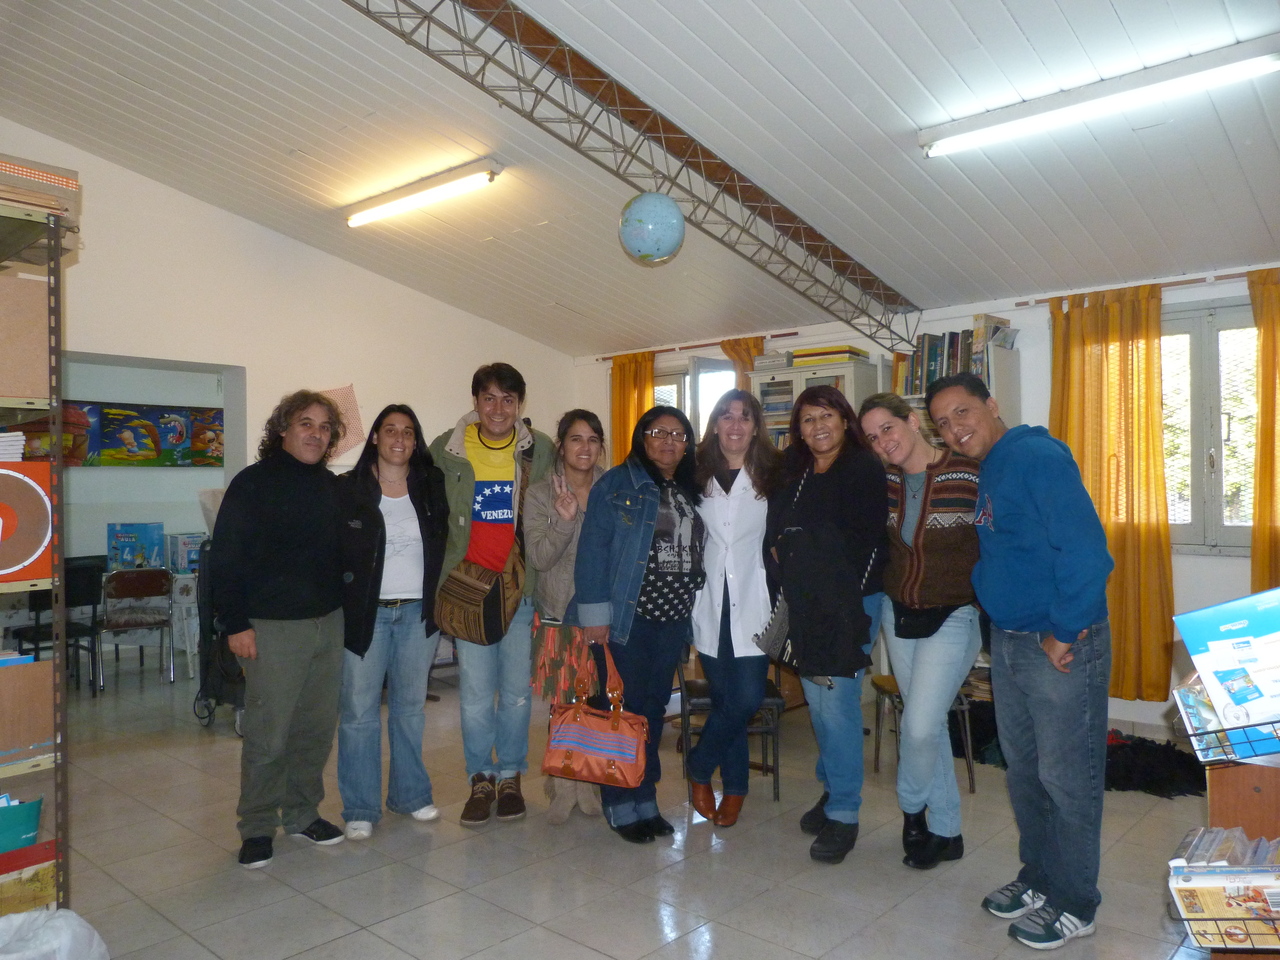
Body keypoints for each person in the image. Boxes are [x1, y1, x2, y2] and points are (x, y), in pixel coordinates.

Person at [926, 372, 1113, 951]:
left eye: (962, 412)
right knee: (1026, 773)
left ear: (992, 404)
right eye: (943, 424)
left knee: (1068, 778)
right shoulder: (992, 468)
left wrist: (1064, 632)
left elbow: (1088, 552)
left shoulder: (1036, 457)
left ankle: (1076, 902)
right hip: (1009, 641)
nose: (955, 429)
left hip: (1056, 643)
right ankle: (1040, 878)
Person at [210, 390, 347, 869]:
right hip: (271, 630)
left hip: (328, 625)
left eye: (325, 427)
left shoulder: (332, 487)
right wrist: (235, 624)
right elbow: (225, 558)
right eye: (306, 423)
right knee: (269, 735)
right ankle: (256, 826)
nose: (316, 434)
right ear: (283, 429)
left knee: (315, 731)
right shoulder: (252, 484)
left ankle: (304, 813)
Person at [570, 405, 705, 844]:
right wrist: (595, 617)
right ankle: (619, 802)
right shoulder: (616, 484)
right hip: (626, 621)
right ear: (641, 437)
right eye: (659, 432)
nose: (669, 441)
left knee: (650, 712)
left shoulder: (689, 488)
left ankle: (645, 797)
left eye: (679, 435)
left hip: (672, 622)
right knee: (620, 712)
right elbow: (592, 551)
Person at [858, 392, 982, 870]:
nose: (882, 442)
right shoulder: (885, 483)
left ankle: (912, 811)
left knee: (918, 726)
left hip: (954, 614)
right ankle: (948, 831)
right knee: (928, 728)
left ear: (911, 421)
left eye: (887, 428)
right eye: (872, 437)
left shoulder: (969, 473)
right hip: (900, 615)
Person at [765, 384, 886, 865]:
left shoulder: (863, 467)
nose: (818, 426)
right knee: (818, 703)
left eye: (827, 415)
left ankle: (845, 812)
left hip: (850, 602)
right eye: (808, 418)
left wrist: (799, 546)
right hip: (804, 601)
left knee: (836, 705)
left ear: (844, 420)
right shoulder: (792, 472)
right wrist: (795, 546)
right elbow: (775, 536)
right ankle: (833, 788)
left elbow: (858, 539)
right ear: (798, 429)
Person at [429, 363, 554, 826]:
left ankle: (510, 776)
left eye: (508, 399)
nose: (498, 408)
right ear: (476, 402)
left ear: (519, 404)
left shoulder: (540, 448)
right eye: (489, 398)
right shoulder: (447, 448)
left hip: (519, 589)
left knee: (518, 694)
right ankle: (480, 779)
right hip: (468, 589)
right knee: (477, 694)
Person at [337, 404, 449, 840]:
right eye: (390, 430)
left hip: (417, 614)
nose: (399, 439)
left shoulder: (430, 485)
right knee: (359, 713)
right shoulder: (350, 489)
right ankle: (360, 807)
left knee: (409, 710)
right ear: (375, 438)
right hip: (367, 615)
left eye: (407, 432)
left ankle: (410, 795)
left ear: (415, 441)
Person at [686, 389, 780, 828]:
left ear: (756, 427)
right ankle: (736, 788)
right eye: (726, 416)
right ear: (715, 425)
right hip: (708, 603)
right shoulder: (694, 474)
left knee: (746, 699)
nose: (735, 425)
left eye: (744, 417)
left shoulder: (774, 475)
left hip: (755, 601)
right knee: (727, 701)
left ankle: (699, 766)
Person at [525, 408, 607, 824]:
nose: (585, 447)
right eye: (576, 439)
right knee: (564, 703)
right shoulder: (540, 493)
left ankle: (589, 782)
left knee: (595, 703)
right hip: (559, 611)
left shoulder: (612, 490)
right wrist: (563, 519)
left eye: (593, 439)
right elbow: (539, 558)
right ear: (561, 446)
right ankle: (562, 784)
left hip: (602, 611)